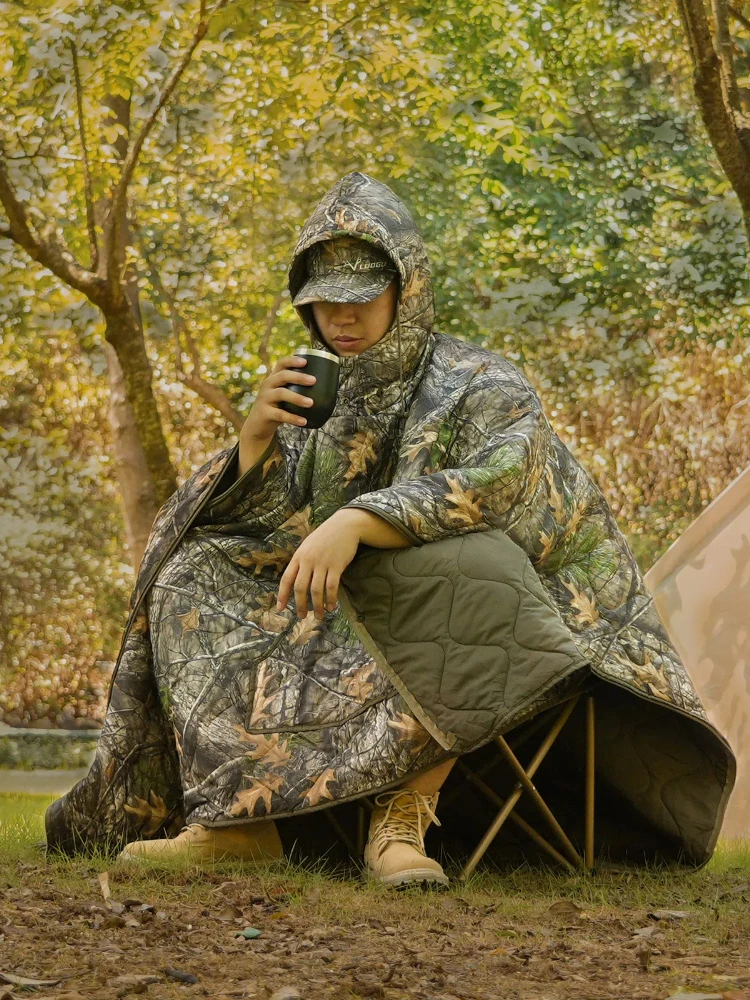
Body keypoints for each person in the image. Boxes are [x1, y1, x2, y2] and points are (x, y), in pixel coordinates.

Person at [45, 172, 734, 883]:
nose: (341, 318)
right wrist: (254, 442)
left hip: (530, 621)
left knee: (472, 566)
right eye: (322, 302)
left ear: (406, 288)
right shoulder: (316, 391)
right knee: (197, 569)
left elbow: (502, 487)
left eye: (360, 297)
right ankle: (240, 821)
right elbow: (266, 533)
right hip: (363, 614)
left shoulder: (482, 381)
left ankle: (402, 823)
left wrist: (357, 520)